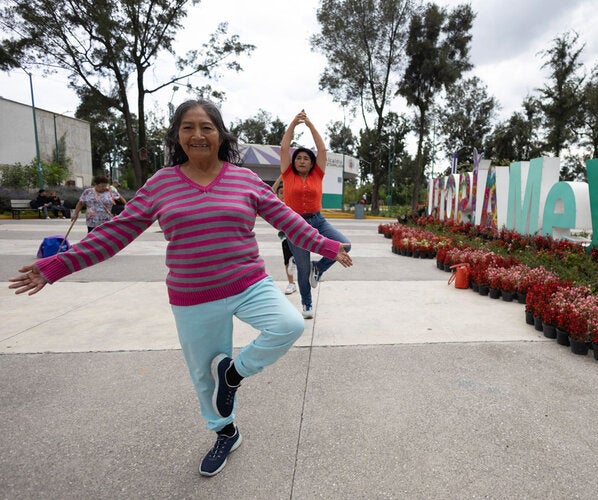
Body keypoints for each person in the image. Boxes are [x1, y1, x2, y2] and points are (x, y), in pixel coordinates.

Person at [8, 99, 352, 477]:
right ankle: (226, 432)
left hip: (249, 282)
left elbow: (288, 219)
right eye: (188, 127)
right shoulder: (162, 183)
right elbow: (116, 232)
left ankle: (233, 374)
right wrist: (56, 265)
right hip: (193, 294)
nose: (198, 134)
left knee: (289, 325)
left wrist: (330, 246)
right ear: (177, 136)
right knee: (204, 376)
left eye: (206, 126)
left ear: (220, 134)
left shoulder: (244, 179)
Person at [280, 109, 351, 319]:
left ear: (312, 163)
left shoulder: (317, 174)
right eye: (298, 158)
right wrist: (293, 122)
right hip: (295, 224)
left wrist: (309, 125)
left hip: (317, 220)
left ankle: (318, 268)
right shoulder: (287, 174)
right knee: (302, 268)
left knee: (345, 244)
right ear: (294, 162)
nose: (302, 161)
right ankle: (307, 304)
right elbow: (285, 147)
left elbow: (321, 148)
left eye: (306, 158)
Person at [272, 177, 297, 295]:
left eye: (286, 193)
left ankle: (296, 263)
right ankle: (291, 283)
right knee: (287, 261)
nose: (283, 195)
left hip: (297, 235)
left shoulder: (293, 203)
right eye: (281, 193)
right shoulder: (276, 204)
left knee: (297, 259)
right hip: (285, 236)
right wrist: (281, 177)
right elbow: (270, 191)